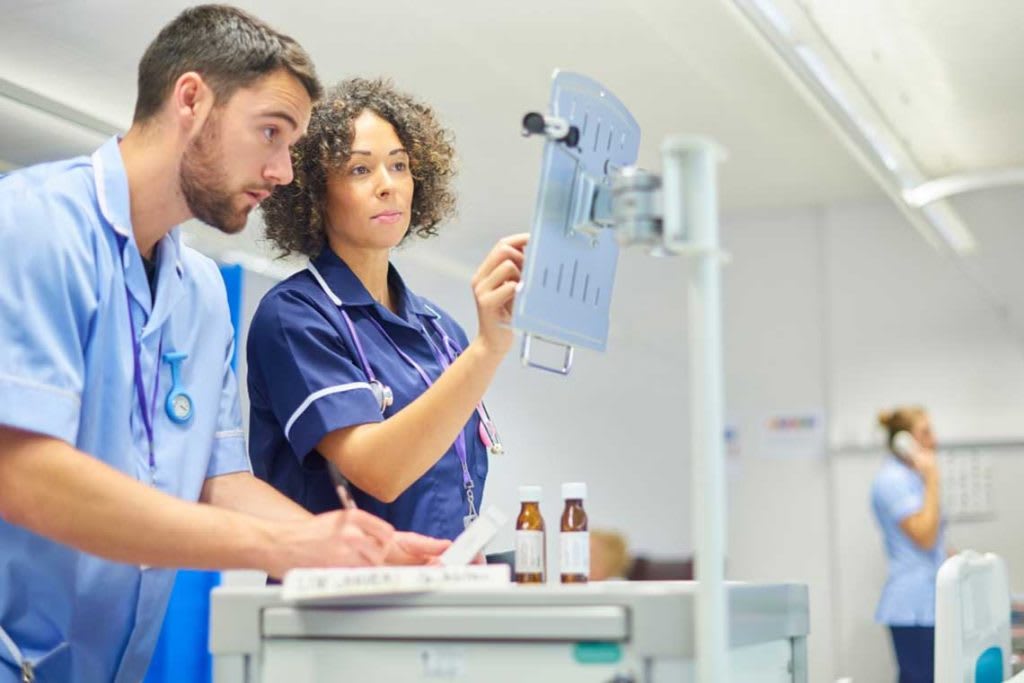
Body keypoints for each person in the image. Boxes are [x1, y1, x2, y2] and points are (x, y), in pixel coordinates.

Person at [0, 7, 448, 683]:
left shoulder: (203, 293)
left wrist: (356, 553)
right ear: (190, 99)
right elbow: (22, 473)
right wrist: (286, 542)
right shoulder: (34, 223)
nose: (283, 172)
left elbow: (219, 478)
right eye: (270, 132)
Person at [248, 78, 526, 540]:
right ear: (314, 192)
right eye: (360, 170)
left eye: (399, 166)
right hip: (343, 598)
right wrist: (486, 351)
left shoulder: (440, 330)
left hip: (439, 587)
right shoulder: (295, 316)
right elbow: (381, 473)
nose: (387, 186)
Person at [872, 406, 946, 683]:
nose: (934, 440)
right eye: (925, 432)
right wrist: (933, 478)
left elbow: (937, 542)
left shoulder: (913, 478)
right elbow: (925, 537)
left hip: (931, 600)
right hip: (912, 605)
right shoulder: (891, 480)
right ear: (904, 440)